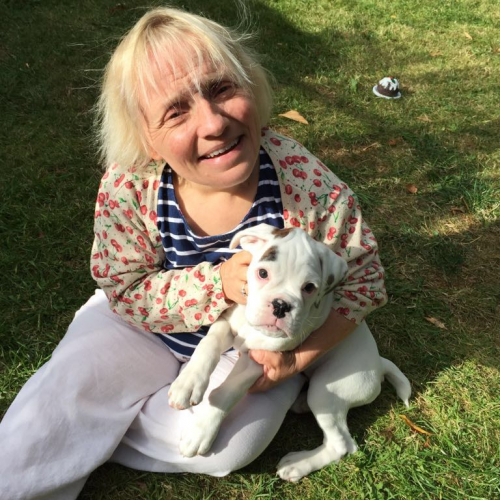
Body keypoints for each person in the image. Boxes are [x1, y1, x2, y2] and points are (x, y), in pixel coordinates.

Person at [0, 6, 387, 499]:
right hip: (144, 322)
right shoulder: (130, 184)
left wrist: (296, 361)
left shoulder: (308, 188)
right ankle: (54, 436)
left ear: (253, 86)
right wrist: (217, 282)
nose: (213, 122)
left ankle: (86, 424)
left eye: (223, 88)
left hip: (253, 343)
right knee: (65, 392)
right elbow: (124, 287)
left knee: (230, 445)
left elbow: (365, 283)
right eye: (176, 111)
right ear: (145, 137)